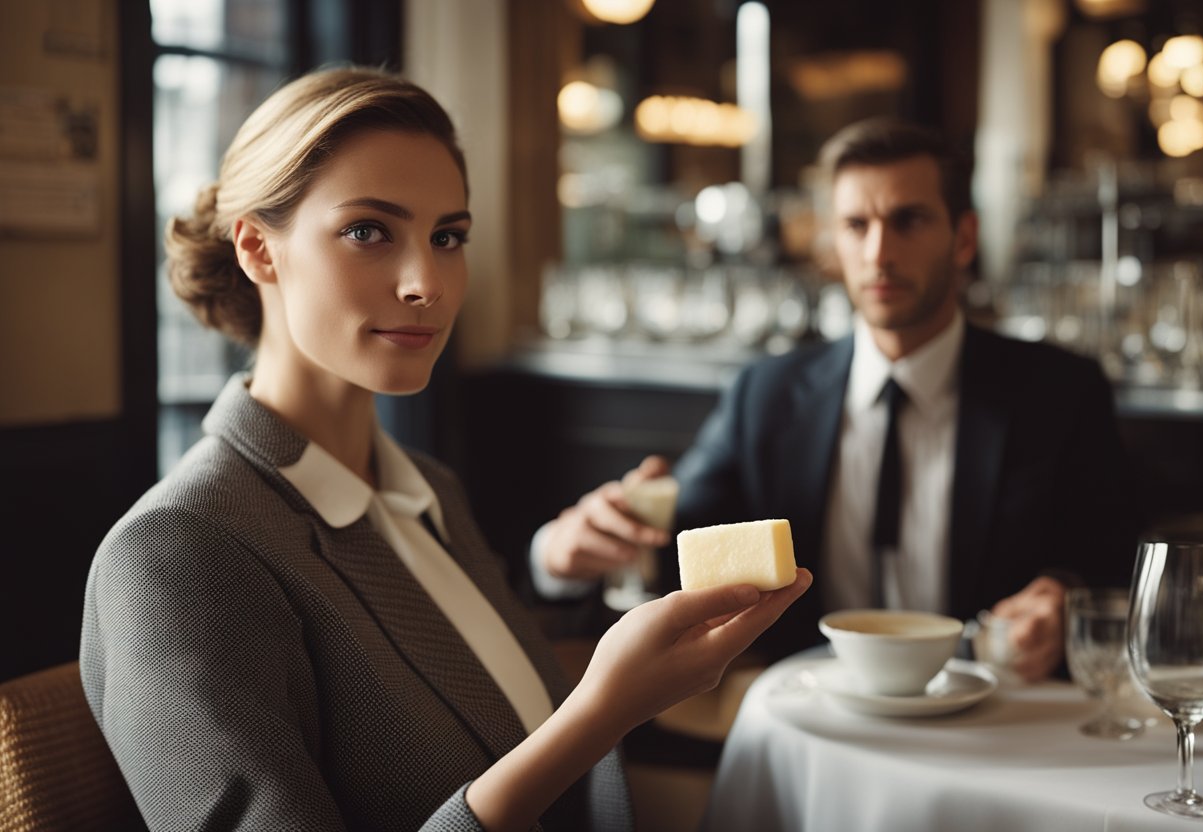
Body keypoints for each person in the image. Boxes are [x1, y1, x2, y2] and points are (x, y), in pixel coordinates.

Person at [79, 66, 811, 832]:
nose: (427, 281)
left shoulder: (424, 489)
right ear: (259, 250)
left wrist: (551, 568)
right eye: (368, 231)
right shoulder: (176, 556)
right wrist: (599, 715)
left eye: (448, 236)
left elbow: (460, 686)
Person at [537, 117, 1141, 681]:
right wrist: (571, 552)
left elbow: (1116, 564)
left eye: (907, 220)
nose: (879, 252)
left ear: (963, 238)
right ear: (834, 242)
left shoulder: (1059, 392)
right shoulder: (767, 394)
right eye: (857, 225)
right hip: (815, 711)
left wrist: (1064, 596)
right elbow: (677, 550)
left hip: (992, 713)